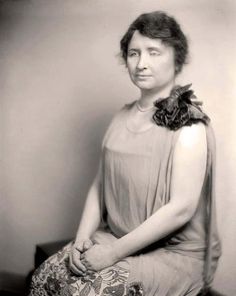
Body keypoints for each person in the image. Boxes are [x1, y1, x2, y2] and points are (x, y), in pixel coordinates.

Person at [29, 11, 221, 296]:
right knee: (43, 279)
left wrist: (112, 254)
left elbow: (181, 208)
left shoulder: (189, 124)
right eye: (134, 53)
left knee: (86, 292)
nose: (142, 64)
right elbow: (99, 185)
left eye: (153, 52)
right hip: (115, 236)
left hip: (171, 256)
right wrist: (82, 238)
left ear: (176, 58)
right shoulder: (121, 116)